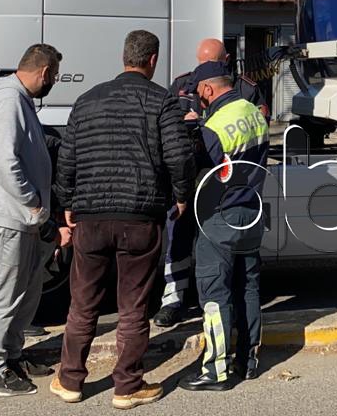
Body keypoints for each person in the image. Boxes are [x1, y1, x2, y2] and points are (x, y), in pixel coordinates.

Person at [51, 30, 195, 408]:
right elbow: (180, 157)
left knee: (83, 303)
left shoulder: (86, 100)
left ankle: (69, 381)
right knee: (133, 306)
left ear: (123, 57)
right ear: (153, 60)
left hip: (91, 217)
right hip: (140, 216)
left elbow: (67, 158)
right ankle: (127, 386)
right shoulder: (162, 101)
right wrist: (181, 197)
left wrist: (67, 201)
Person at [157, 38, 269, 328]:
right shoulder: (184, 83)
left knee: (221, 274)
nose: (204, 68)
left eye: (212, 63)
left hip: (223, 189)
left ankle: (220, 328)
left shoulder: (247, 89)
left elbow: (256, 127)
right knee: (178, 238)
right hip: (192, 181)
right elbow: (167, 124)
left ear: (227, 60)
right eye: (201, 62)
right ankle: (174, 298)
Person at [0, 44, 63, 397]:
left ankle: (12, 355)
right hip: (9, 217)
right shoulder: (8, 101)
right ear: (44, 73)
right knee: (4, 293)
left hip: (22, 219)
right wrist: (32, 200)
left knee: (26, 291)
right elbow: (4, 163)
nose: (53, 82)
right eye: (54, 76)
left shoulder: (19, 99)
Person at [180, 60, 270, 392]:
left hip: (220, 214)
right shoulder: (254, 111)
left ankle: (216, 371)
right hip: (252, 211)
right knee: (248, 287)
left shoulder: (214, 125)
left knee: (214, 293)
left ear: (207, 89)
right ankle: (248, 362)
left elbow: (199, 162)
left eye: (198, 94)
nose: (197, 100)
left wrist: (193, 129)